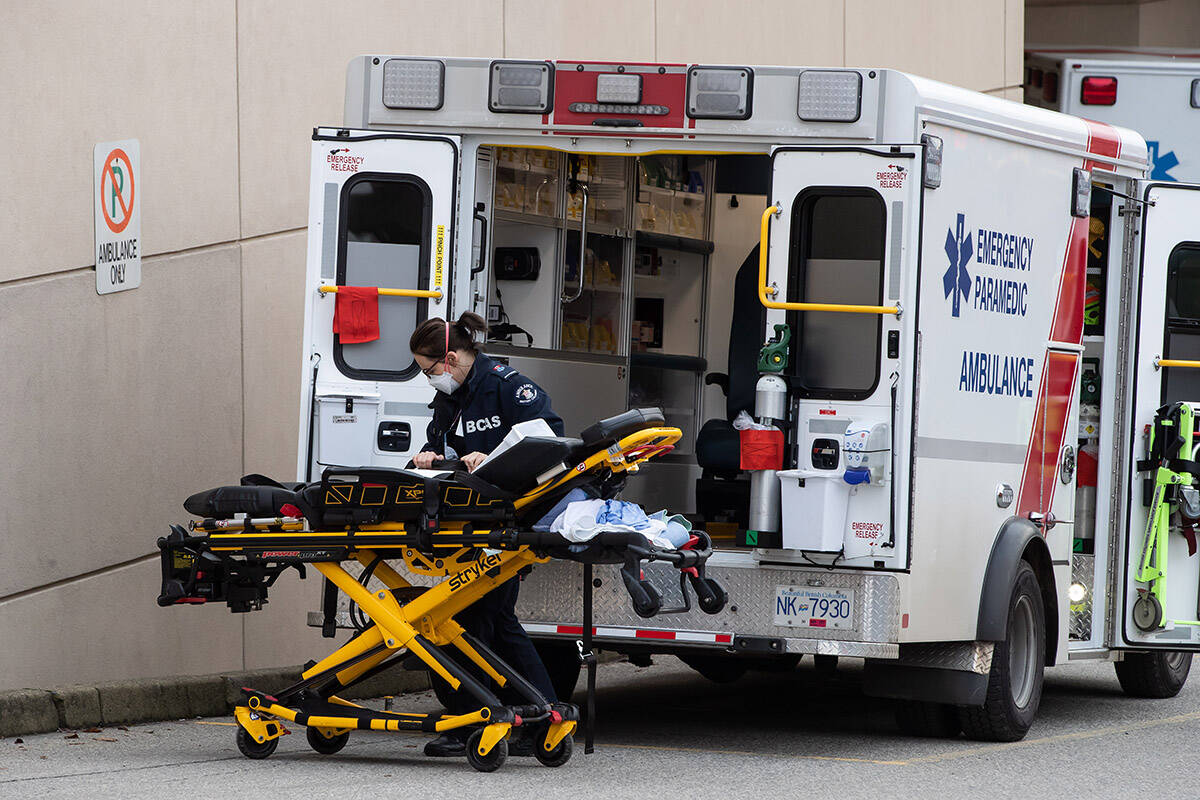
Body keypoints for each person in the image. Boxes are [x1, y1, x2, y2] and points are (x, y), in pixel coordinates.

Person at [409, 312, 563, 758]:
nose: (429, 379)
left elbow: (549, 438)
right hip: (469, 522)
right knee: (492, 621)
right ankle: (539, 719)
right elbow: (438, 443)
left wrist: (493, 455)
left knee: (475, 621)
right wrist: (429, 456)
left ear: (451, 358)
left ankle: (479, 722)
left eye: (428, 369)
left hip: (507, 520)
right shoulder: (451, 397)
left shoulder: (508, 386)